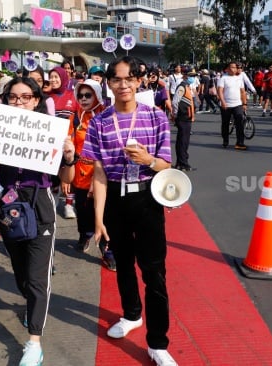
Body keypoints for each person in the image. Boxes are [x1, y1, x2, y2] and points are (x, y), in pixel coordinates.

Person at [81, 56, 177, 366]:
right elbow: (98, 173)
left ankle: (158, 342)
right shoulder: (98, 122)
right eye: (116, 79)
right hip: (115, 201)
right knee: (122, 263)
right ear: (108, 84)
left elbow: (166, 165)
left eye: (129, 79)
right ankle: (132, 314)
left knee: (153, 270)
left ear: (139, 81)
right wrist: (98, 218)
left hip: (147, 198)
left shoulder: (156, 117)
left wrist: (147, 159)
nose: (123, 85)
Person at [0, 76, 75, 366]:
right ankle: (30, 303)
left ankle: (33, 342)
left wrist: (68, 157)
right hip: (9, 210)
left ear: (36, 100)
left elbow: (65, 180)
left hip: (40, 206)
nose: (19, 102)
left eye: (26, 97)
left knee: (38, 278)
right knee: (21, 274)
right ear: (5, 101)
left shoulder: (50, 133)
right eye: (13, 97)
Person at [66, 79, 116, 271]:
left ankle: (109, 250)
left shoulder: (107, 116)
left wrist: (98, 177)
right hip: (80, 173)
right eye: (80, 95)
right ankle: (84, 234)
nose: (84, 99)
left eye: (88, 95)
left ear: (97, 94)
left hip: (102, 173)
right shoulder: (75, 117)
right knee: (83, 210)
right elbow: (69, 142)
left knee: (106, 214)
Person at [49, 66, 78, 219]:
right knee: (53, 178)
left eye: (56, 77)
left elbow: (78, 121)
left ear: (63, 77)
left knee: (69, 175)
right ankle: (52, 205)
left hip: (68, 143)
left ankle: (68, 204)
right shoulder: (45, 97)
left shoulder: (73, 96)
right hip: (51, 145)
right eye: (51, 77)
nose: (53, 80)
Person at [218, 61, 248, 150]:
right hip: (226, 105)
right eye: (231, 67)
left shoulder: (239, 79)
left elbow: (242, 92)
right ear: (227, 69)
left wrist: (244, 103)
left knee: (240, 123)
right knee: (225, 123)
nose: (233, 69)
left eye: (235, 67)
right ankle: (225, 140)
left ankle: (240, 142)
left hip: (237, 104)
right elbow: (220, 91)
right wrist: (223, 102)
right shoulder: (223, 78)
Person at [172, 74, 196, 171]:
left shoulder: (187, 86)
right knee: (183, 141)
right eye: (191, 76)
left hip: (186, 117)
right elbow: (175, 102)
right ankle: (183, 163)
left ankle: (180, 162)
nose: (193, 78)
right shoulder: (182, 86)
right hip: (183, 117)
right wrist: (175, 114)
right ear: (185, 76)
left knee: (182, 140)